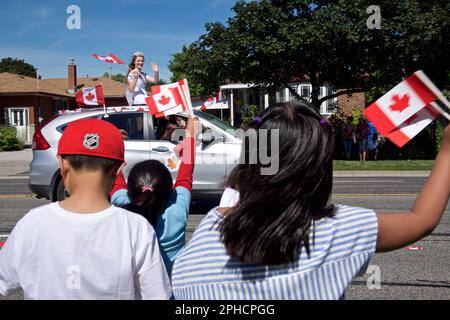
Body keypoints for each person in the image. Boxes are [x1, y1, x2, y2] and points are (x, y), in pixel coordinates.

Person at [171, 100, 450, 300]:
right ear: (320, 168)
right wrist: (447, 152)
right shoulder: (338, 229)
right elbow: (421, 220)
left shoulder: (209, 227)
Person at [0, 119, 171, 300]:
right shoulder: (136, 228)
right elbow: (156, 294)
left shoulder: (31, 224)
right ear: (119, 169)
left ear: (63, 164)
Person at [111, 115, 198, 276]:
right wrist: (191, 133)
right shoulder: (178, 209)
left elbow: (115, 175)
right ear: (171, 191)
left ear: (129, 191)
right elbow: (186, 173)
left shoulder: (121, 209)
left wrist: (114, 143)